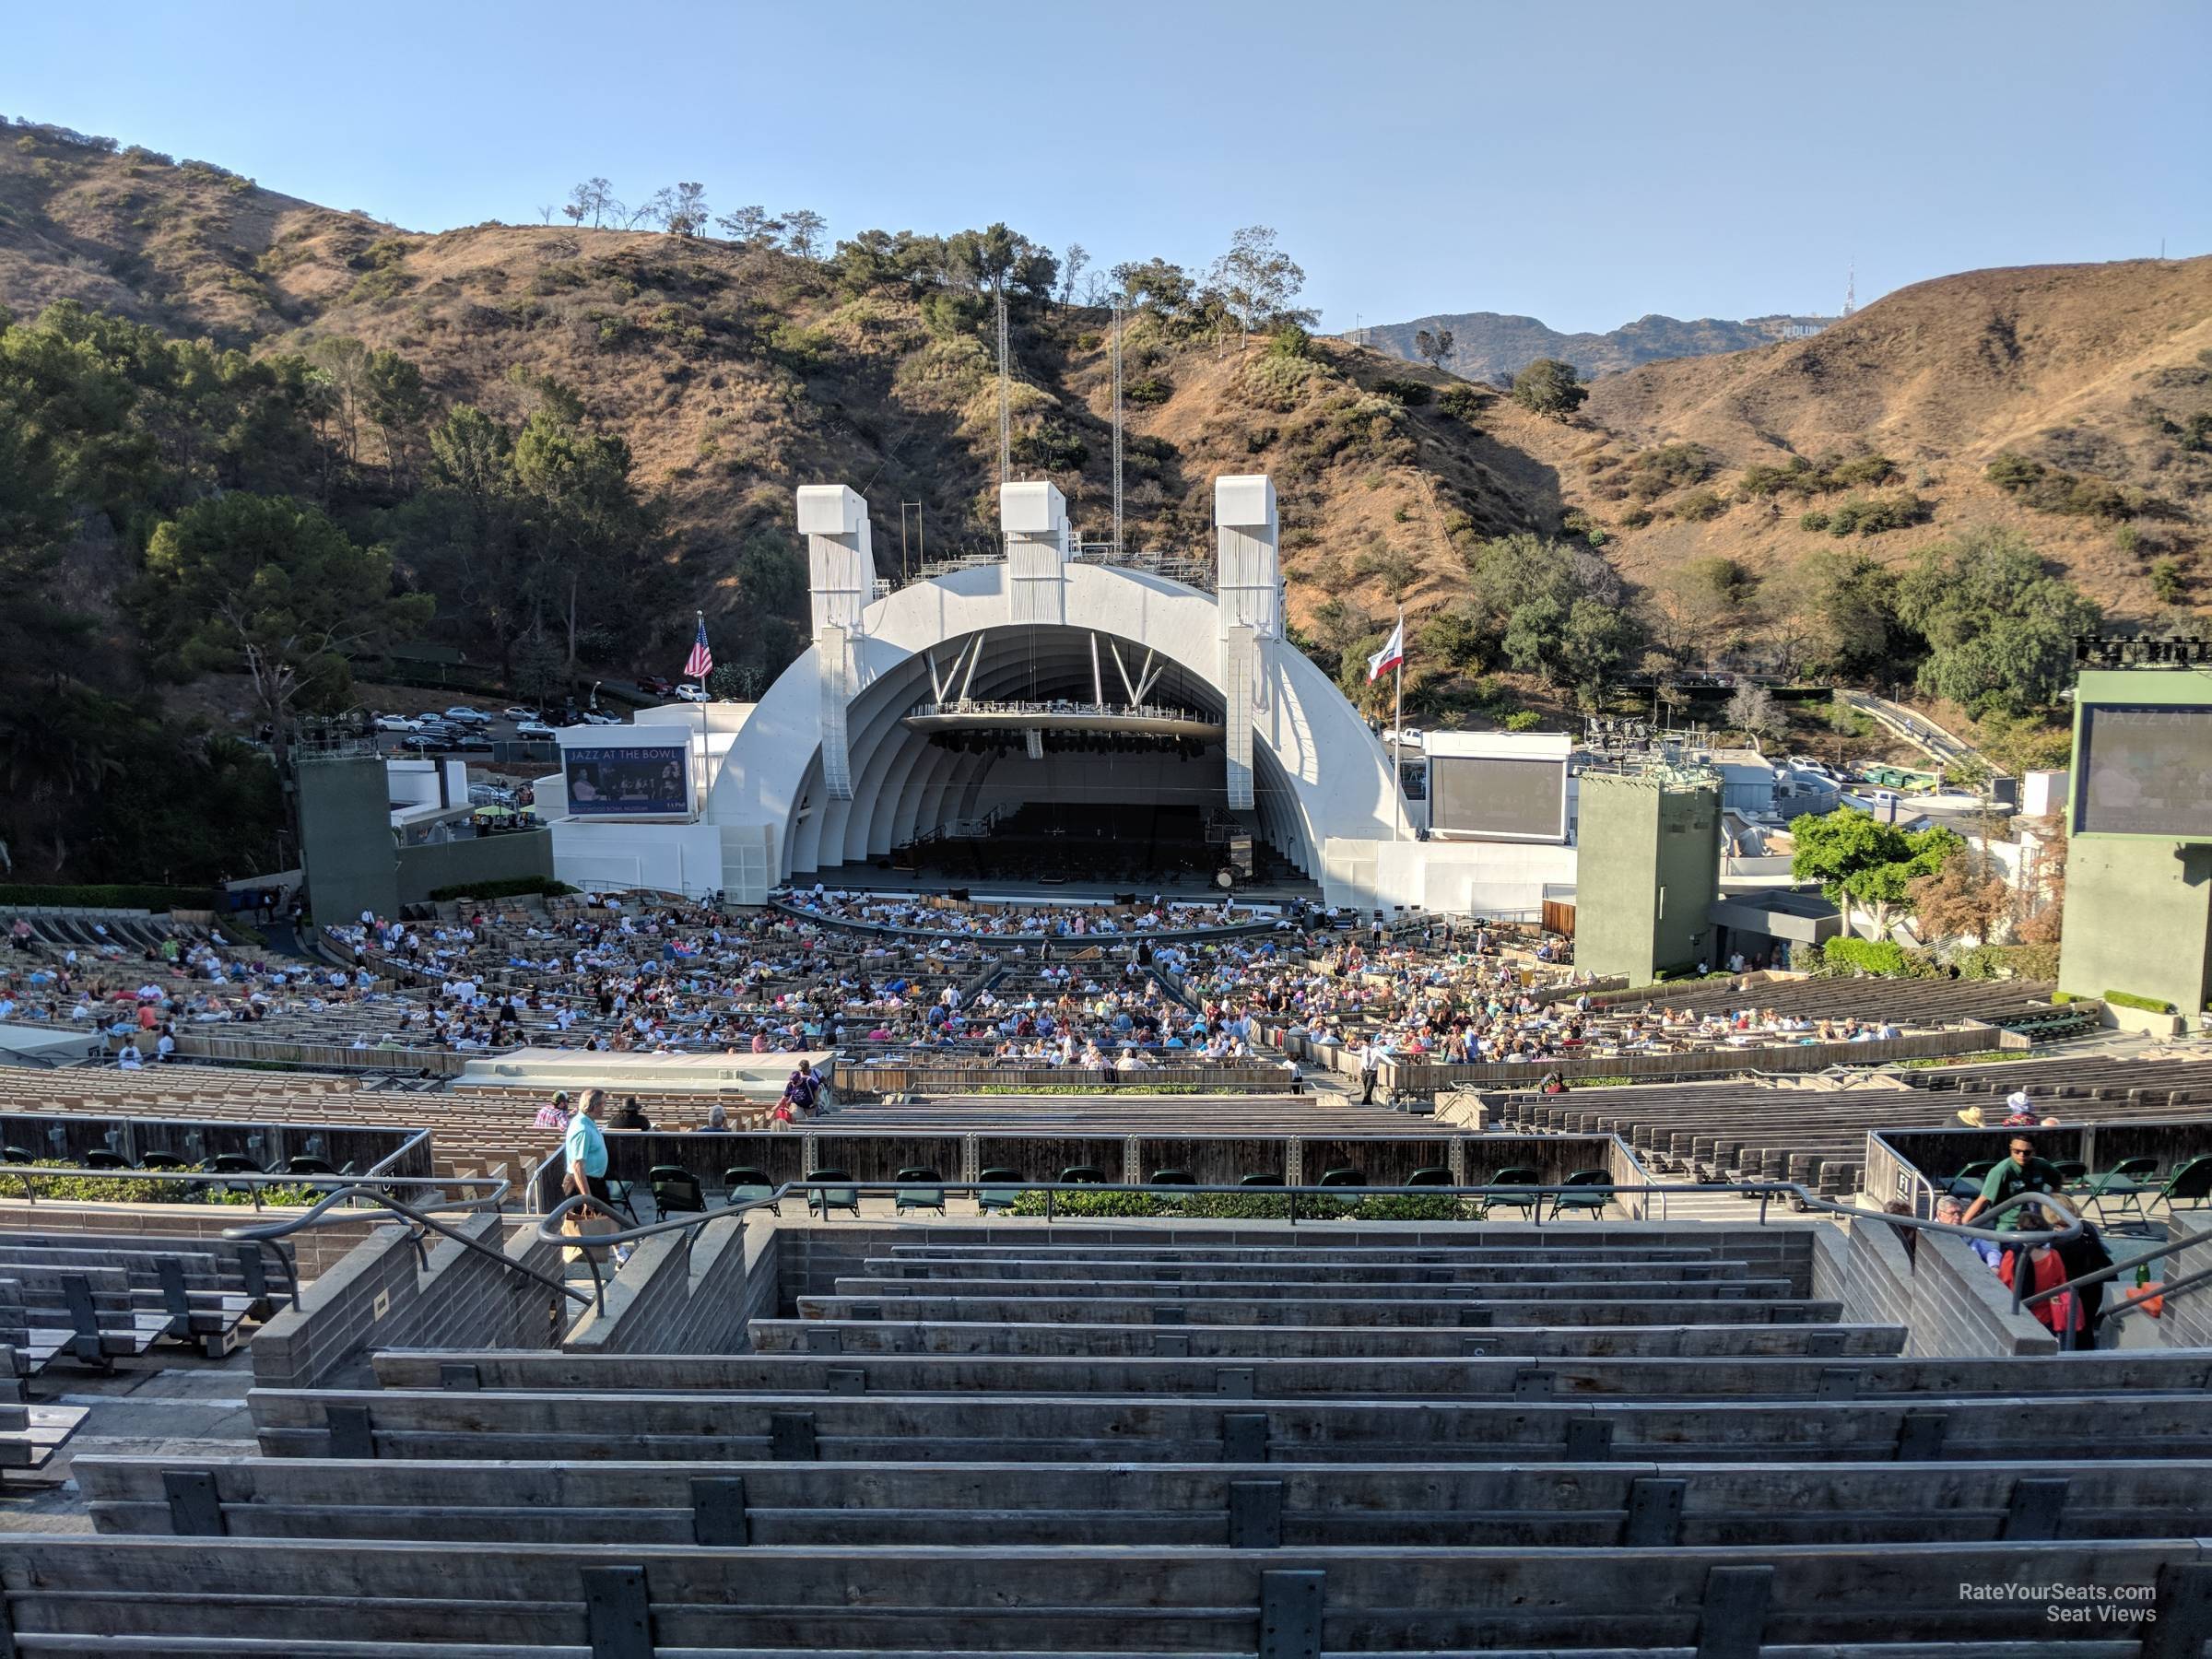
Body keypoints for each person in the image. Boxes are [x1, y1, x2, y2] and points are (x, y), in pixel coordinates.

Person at [1961, 1135, 2067, 1231]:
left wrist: (2051, 1206)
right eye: (2017, 1151)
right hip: (2011, 1224)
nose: (2022, 1155)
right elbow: (1983, 1199)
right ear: (2011, 1150)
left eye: (2027, 1152)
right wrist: (1963, 1225)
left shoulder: (2041, 1165)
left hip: (2038, 1219)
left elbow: (2057, 1179)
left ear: (2033, 1151)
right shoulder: (2001, 1171)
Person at [562, 1088, 612, 1212]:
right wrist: (587, 1198)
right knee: (585, 1227)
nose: (604, 1107)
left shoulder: (588, 1122)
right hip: (583, 1185)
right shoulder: (582, 1129)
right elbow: (577, 1166)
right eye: (602, 1103)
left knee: (607, 1222)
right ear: (593, 1105)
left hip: (594, 1183)